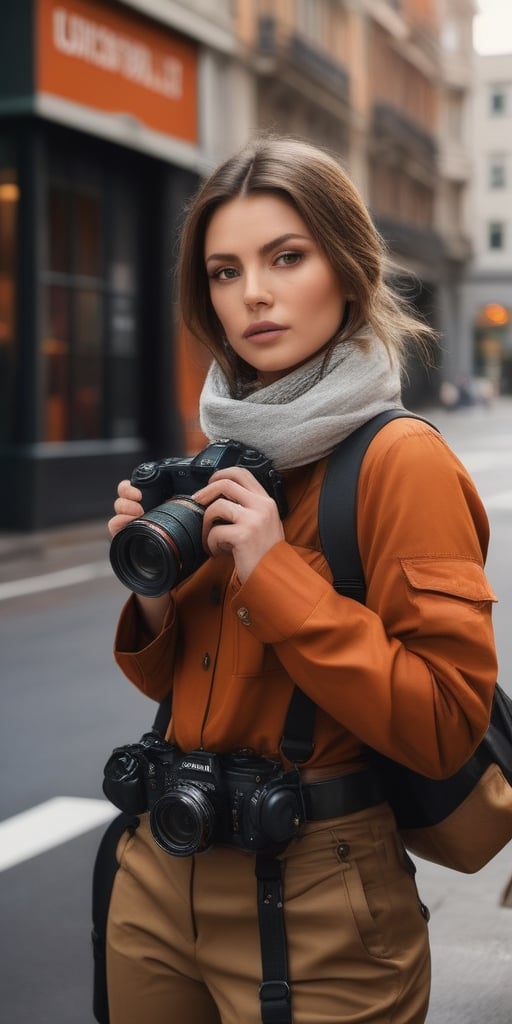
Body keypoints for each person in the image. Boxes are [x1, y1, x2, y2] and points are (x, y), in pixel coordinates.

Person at [104, 135, 497, 1024]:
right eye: (224, 270)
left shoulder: (402, 461)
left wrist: (276, 572)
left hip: (321, 897)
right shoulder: (219, 454)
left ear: (349, 268)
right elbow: (180, 688)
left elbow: (443, 725)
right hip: (159, 872)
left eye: (287, 257)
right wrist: (156, 591)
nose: (254, 294)